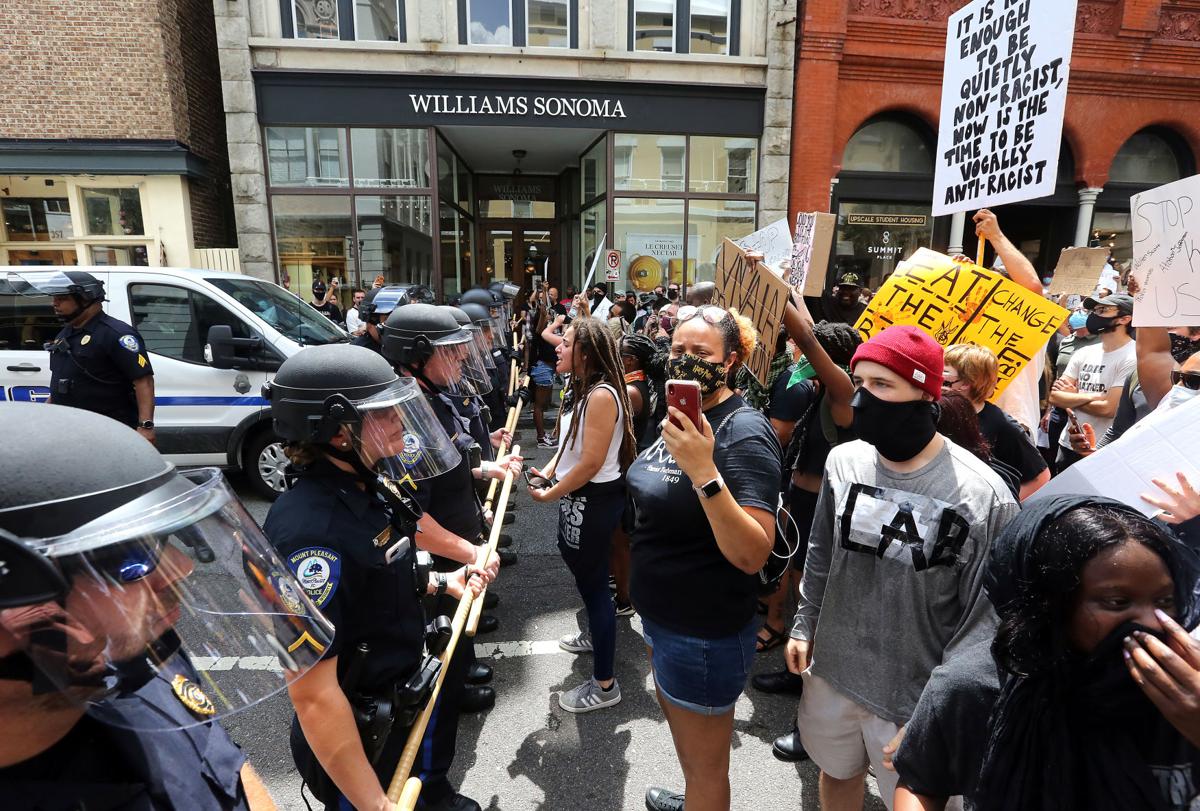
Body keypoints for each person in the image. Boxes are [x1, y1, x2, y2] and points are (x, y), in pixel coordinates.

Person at [0, 401, 332, 810]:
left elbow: (229, 766)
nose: (181, 568)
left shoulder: (139, 657)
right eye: (126, 561)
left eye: (163, 542)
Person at [786, 325, 1019, 811]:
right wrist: (805, 622)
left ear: (925, 395)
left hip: (917, 693)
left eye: (882, 385)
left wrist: (943, 705)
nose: (863, 398)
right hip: (835, 672)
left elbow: (985, 619)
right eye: (859, 381)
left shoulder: (981, 495)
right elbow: (822, 552)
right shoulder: (844, 461)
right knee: (837, 771)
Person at [262, 344, 488, 811]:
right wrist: (373, 804)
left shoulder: (367, 482)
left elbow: (381, 571)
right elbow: (314, 696)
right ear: (339, 433)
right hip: (361, 734)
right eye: (383, 415)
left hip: (401, 690)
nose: (399, 424)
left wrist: (442, 583)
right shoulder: (311, 534)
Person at [900, 495, 1200, 811]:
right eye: (1117, 602)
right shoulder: (973, 688)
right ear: (1053, 606)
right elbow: (921, 783)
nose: (1153, 622)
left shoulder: (1186, 690)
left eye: (1165, 601)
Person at [627, 304, 782, 811]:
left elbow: (752, 552)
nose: (685, 361)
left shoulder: (743, 432)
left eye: (700, 353)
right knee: (692, 752)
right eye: (677, 351)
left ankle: (700, 795)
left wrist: (703, 472)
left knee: (709, 769)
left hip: (703, 632)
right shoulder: (676, 415)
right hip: (662, 618)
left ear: (731, 361)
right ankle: (692, 791)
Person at [753, 319, 859, 735]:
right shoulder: (816, 392)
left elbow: (812, 343)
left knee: (815, 595)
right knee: (797, 587)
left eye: (804, 351)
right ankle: (796, 674)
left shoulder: (843, 395)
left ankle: (813, 707)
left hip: (822, 509)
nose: (797, 356)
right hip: (800, 502)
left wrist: (792, 319)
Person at [527, 318, 636, 713]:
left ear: (585, 353)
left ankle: (605, 685)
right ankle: (595, 633)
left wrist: (551, 493)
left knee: (594, 587)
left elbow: (590, 463)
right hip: (578, 495)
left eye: (566, 342)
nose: (557, 346)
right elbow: (569, 447)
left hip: (594, 497)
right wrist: (548, 472)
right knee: (583, 573)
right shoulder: (583, 389)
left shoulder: (603, 395)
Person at [29, 270, 156, 441]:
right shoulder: (65, 335)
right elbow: (62, 382)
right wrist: (47, 413)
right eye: (54, 298)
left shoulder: (117, 334)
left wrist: (145, 426)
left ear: (86, 299)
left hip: (110, 429)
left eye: (62, 298)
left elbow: (143, 381)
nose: (55, 304)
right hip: (72, 429)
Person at [942, 344, 1049, 500]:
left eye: (944, 379)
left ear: (967, 383)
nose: (936, 381)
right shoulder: (933, 411)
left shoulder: (1002, 424)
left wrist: (998, 508)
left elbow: (1040, 477)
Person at [1049, 292, 1137, 470]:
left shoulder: (1132, 356)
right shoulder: (1084, 352)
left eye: (1102, 310)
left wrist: (1074, 397)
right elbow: (1055, 398)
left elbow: (1109, 409)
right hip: (1068, 445)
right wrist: (1095, 398)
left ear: (1124, 319)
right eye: (1094, 310)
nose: (1095, 315)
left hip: (1101, 448)